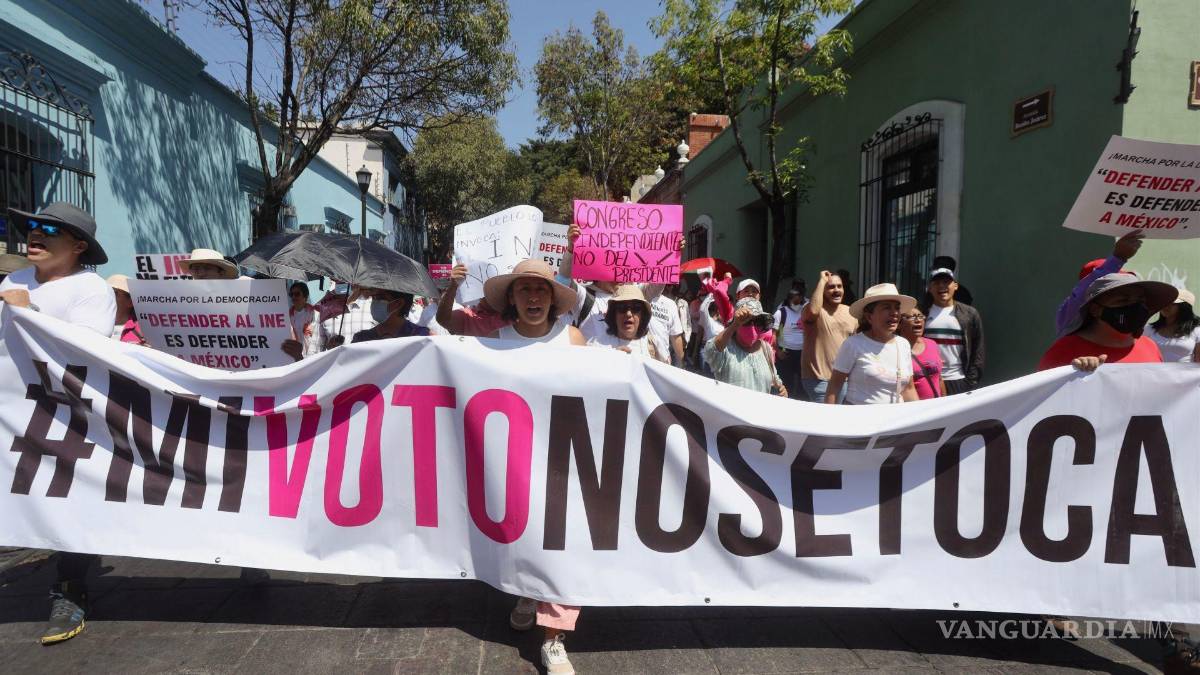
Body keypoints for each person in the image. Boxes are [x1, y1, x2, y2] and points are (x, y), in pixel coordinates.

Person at [0, 202, 115, 644]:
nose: (35, 234)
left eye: (49, 229)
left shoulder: (91, 290)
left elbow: (83, 355)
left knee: (69, 496)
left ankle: (69, 588)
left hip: (60, 414)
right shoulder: (14, 279)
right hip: (13, 408)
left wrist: (30, 313)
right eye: (31, 226)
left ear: (78, 246)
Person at [485, 259, 583, 675]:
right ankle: (527, 593)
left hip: (565, 459)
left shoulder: (573, 340)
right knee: (520, 536)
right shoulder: (494, 342)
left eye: (541, 289)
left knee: (562, 544)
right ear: (512, 298)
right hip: (513, 459)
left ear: (553, 298)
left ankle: (553, 638)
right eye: (524, 289)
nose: (533, 297)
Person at [1039, 273, 1176, 371]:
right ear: (1096, 310)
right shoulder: (1064, 350)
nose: (1135, 307)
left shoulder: (1149, 346)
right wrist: (1075, 374)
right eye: (1123, 300)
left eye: (1140, 301)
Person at [826, 283, 918, 405]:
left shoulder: (903, 344)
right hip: (861, 420)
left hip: (895, 420)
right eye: (886, 308)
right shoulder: (853, 344)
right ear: (869, 317)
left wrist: (921, 420)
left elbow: (908, 389)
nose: (894, 313)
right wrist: (830, 418)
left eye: (897, 308)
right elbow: (834, 386)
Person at [1055, 230, 1143, 338]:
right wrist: (1118, 258)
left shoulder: (1139, 342)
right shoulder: (1072, 317)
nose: (1131, 305)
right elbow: (1084, 292)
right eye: (1122, 299)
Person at [918, 267, 985, 393]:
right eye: (937, 283)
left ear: (955, 286)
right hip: (928, 381)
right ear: (929, 288)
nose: (941, 286)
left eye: (946, 282)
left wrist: (971, 381)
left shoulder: (969, 314)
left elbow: (978, 350)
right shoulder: (920, 313)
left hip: (959, 380)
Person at [703, 297, 787, 396]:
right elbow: (710, 351)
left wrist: (782, 390)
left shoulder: (766, 348)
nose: (752, 327)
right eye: (746, 322)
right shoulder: (726, 348)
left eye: (757, 321)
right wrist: (734, 325)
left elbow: (775, 380)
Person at [800, 270, 857, 402]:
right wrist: (822, 281)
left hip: (845, 379)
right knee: (826, 421)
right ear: (823, 291)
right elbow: (813, 310)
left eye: (839, 286)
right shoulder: (815, 310)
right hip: (819, 380)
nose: (836, 290)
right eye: (831, 287)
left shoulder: (851, 313)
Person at [435, 264, 511, 337]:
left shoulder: (515, 315)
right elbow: (443, 320)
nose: (493, 293)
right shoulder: (467, 316)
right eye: (488, 287)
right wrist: (453, 286)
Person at [587, 284, 659, 359]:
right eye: (622, 308)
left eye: (636, 308)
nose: (628, 314)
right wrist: (611, 359)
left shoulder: (654, 345)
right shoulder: (596, 345)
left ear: (642, 315)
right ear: (614, 314)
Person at [898, 308, 945, 399]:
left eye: (920, 316)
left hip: (937, 406)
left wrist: (944, 399)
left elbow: (939, 378)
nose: (918, 320)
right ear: (899, 324)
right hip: (916, 410)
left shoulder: (932, 344)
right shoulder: (896, 348)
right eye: (912, 317)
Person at [351, 289, 430, 342]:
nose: (374, 302)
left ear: (398, 303)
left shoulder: (422, 337)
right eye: (373, 297)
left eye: (380, 298)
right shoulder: (361, 339)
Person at [1146, 289, 1200, 363]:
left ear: (1184, 307)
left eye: (1172, 303)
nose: (1165, 306)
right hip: (1155, 374)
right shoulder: (1148, 329)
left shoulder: (1197, 331)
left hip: (1186, 374)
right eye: (1164, 302)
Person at [773, 284, 807, 400]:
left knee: (804, 385)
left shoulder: (805, 311)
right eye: (795, 301)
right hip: (785, 353)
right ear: (789, 300)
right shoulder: (781, 313)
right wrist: (778, 352)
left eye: (800, 301)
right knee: (787, 384)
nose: (797, 304)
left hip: (803, 354)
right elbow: (773, 335)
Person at [106, 274, 146, 345]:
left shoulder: (144, 333)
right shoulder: (92, 325)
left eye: (115, 292)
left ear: (130, 302)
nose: (109, 295)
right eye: (107, 291)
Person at [648, 290, 684, 364]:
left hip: (662, 361)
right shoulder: (636, 294)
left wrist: (681, 363)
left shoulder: (671, 304)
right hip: (641, 357)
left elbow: (675, 336)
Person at [286, 282, 321, 357]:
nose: (293, 297)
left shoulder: (315, 314)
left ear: (305, 296)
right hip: (294, 356)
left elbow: (318, 337)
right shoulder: (287, 316)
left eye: (297, 294)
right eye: (291, 294)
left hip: (312, 356)